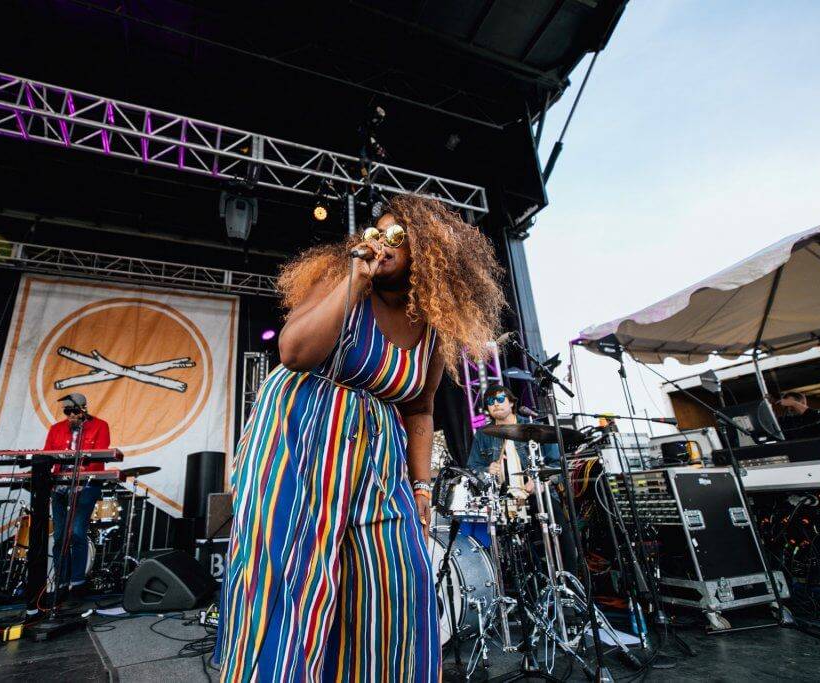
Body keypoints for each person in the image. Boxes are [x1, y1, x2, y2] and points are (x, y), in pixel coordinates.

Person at [218, 194, 505, 682]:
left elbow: (420, 409)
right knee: (290, 580)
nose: (383, 243)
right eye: (379, 233)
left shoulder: (434, 331)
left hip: (379, 459)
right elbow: (293, 352)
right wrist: (354, 280)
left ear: (432, 255)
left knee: (399, 581)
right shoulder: (343, 282)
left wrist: (420, 486)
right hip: (299, 440)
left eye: (399, 237)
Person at [466, 384, 576, 570]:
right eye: (491, 402)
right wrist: (487, 470)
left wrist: (541, 480)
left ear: (511, 403)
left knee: (561, 537)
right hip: (504, 502)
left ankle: (570, 583)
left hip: (539, 497)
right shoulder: (483, 436)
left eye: (500, 399)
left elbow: (558, 465)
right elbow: (472, 469)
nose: (496, 404)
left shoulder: (536, 429)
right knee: (512, 551)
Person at [44, 392, 110, 600]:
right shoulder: (56, 429)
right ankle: (61, 583)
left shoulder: (100, 425)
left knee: (78, 533)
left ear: (83, 409)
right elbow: (47, 455)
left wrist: (84, 479)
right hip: (60, 486)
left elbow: (100, 456)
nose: (70, 416)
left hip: (87, 485)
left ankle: (78, 582)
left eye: (73, 411)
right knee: (60, 536)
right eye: (66, 412)